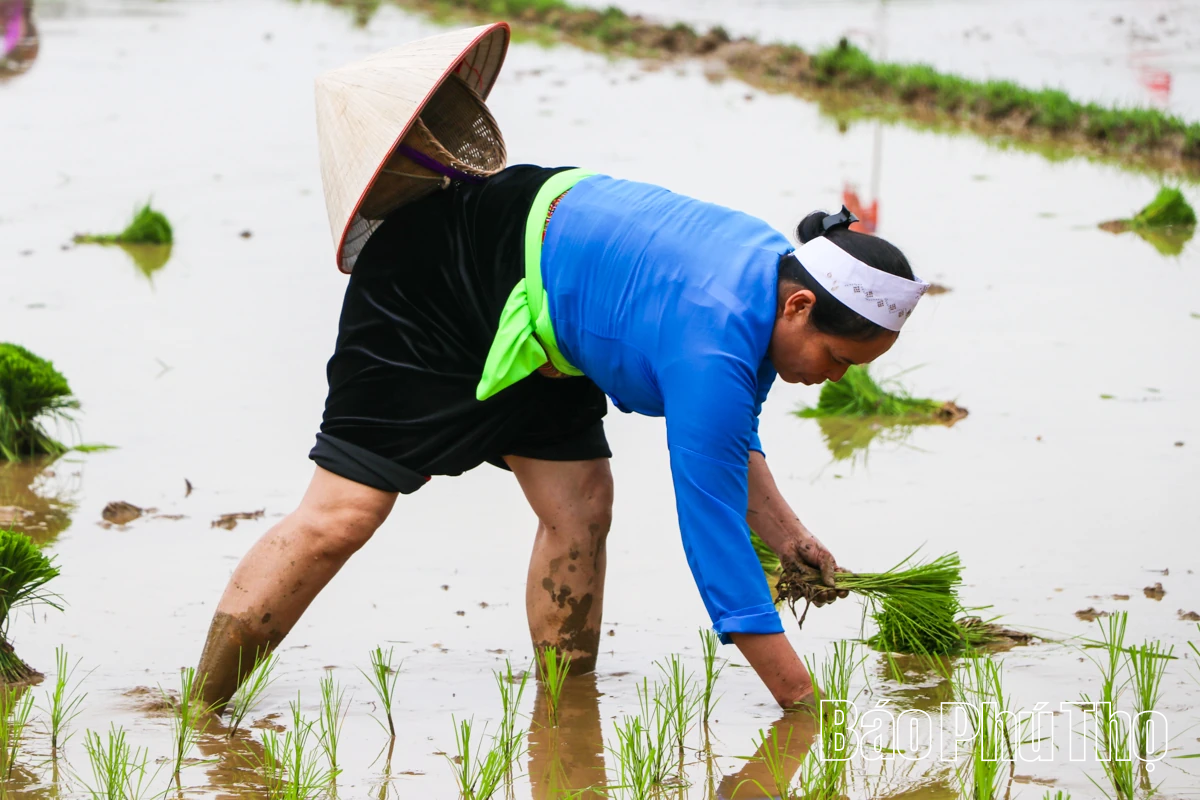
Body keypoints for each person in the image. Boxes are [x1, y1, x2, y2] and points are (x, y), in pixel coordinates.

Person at [195, 24, 929, 710]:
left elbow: (730, 445)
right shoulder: (714, 340)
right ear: (800, 307)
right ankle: (200, 707)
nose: (835, 379)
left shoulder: (766, 289)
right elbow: (719, 556)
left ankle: (563, 719)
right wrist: (804, 708)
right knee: (342, 516)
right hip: (442, 277)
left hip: (550, 308)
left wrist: (791, 538)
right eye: (837, 359)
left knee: (579, 509)